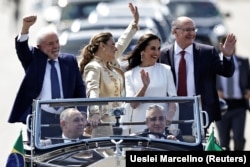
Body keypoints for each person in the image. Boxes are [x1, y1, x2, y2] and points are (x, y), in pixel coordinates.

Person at [8, 15, 87, 139]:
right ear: (39, 48)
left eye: (57, 42)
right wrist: (25, 28)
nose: (55, 46)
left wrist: (82, 112)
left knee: (68, 154)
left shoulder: (69, 61)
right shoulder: (34, 60)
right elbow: (22, 49)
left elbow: (79, 89)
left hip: (68, 120)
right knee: (42, 155)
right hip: (42, 118)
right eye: (50, 44)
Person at [159, 16, 236, 135]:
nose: (191, 33)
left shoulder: (207, 52)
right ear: (175, 32)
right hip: (171, 110)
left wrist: (227, 56)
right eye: (187, 30)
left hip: (198, 110)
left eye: (193, 30)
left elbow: (226, 72)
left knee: (196, 146)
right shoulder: (163, 54)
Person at [78, 3, 139, 137]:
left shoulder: (110, 62)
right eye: (112, 45)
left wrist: (134, 24)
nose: (115, 48)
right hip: (102, 123)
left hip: (119, 120)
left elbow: (122, 43)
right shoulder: (93, 66)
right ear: (102, 46)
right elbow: (92, 90)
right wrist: (94, 113)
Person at [122, 33, 178, 134]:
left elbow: (173, 100)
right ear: (142, 51)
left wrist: (168, 121)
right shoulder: (130, 74)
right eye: (153, 48)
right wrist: (144, 87)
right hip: (139, 126)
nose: (156, 52)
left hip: (161, 126)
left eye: (158, 48)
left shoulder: (166, 70)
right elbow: (133, 104)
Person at [216, 38, 250, 150]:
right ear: (222, 46)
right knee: (224, 141)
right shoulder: (215, 62)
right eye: (228, 45)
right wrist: (215, 90)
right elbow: (207, 81)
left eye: (233, 45)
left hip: (239, 106)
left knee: (239, 139)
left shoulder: (243, 62)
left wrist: (248, 90)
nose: (231, 47)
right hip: (221, 107)